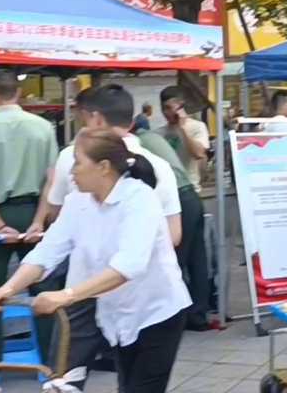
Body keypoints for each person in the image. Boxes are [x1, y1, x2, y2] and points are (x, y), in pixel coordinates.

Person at [0, 129, 192, 393]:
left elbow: (129, 265)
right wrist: (8, 289)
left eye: (78, 163)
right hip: (114, 313)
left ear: (103, 167)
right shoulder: (77, 202)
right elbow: (46, 253)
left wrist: (66, 296)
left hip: (156, 313)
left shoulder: (139, 199)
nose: (72, 172)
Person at [48, 85, 189, 389]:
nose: (74, 170)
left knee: (68, 375)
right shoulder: (158, 165)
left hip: (118, 296)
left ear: (95, 118)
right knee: (75, 381)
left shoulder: (75, 160)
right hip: (110, 296)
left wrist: (71, 292)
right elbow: (173, 235)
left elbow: (53, 218)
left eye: (82, 117)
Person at [0, 69, 61, 371]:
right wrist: (38, 221)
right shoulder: (44, 127)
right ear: (18, 94)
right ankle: (53, 361)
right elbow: (52, 180)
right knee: (42, 287)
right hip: (34, 211)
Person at [157, 87, 210, 193]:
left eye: (169, 108)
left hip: (189, 188)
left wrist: (181, 129)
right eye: (163, 108)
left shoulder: (197, 127)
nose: (166, 113)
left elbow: (199, 154)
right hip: (167, 189)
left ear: (181, 107)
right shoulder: (159, 132)